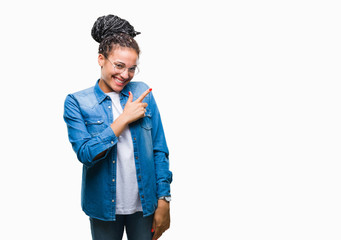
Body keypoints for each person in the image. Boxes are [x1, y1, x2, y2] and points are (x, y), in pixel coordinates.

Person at [63, 14, 172, 240]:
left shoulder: (143, 93)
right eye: (119, 65)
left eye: (132, 68)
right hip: (103, 208)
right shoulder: (77, 102)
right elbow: (85, 154)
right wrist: (123, 118)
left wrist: (164, 199)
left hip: (145, 205)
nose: (125, 75)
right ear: (101, 59)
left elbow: (159, 149)